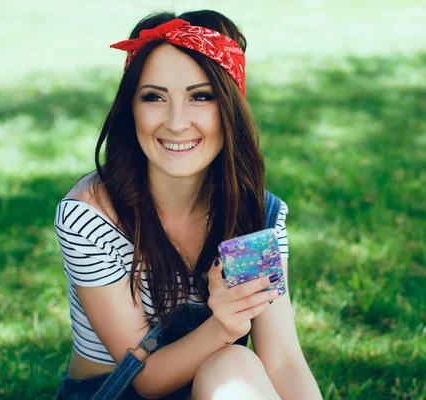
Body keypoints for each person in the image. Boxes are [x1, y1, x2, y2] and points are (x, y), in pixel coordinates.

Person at [53, 9, 322, 400]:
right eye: (154, 97)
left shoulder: (251, 215)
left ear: (229, 107)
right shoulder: (91, 216)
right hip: (115, 391)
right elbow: (146, 380)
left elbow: (282, 362)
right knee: (231, 358)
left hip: (214, 387)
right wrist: (225, 325)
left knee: (235, 365)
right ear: (132, 108)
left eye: (200, 96)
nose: (177, 122)